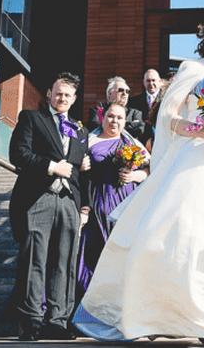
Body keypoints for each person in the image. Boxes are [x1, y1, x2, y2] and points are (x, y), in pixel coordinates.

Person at [72, 12, 204, 348]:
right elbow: (169, 118)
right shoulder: (193, 69)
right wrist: (201, 130)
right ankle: (181, 319)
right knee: (177, 234)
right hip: (193, 160)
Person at [9, 72, 89, 341]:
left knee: (65, 262)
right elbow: (18, 154)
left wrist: (85, 208)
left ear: (74, 99)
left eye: (67, 94)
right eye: (58, 93)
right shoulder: (32, 119)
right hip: (38, 197)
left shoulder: (81, 131)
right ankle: (31, 322)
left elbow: (80, 173)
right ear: (49, 94)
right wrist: (52, 166)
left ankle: (58, 321)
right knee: (34, 260)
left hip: (69, 202)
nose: (62, 98)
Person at [77, 103, 150, 300]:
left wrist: (135, 176)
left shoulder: (132, 143)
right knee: (98, 255)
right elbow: (73, 170)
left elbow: (150, 170)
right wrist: (80, 166)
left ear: (124, 121)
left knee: (124, 257)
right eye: (110, 116)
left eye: (119, 117)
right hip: (99, 205)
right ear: (102, 118)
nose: (114, 121)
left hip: (128, 207)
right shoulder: (89, 142)